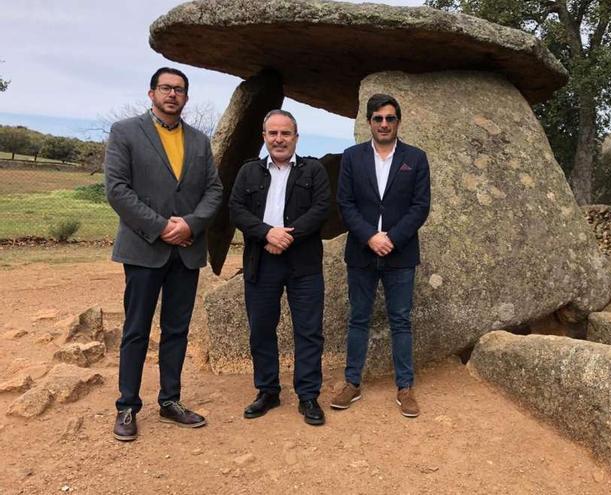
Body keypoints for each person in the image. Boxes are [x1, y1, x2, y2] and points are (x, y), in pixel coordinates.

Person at [105, 67, 222, 441]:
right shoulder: (125, 132)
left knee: (177, 329)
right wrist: (161, 227)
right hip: (144, 249)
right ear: (151, 93)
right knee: (136, 329)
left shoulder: (200, 142)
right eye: (166, 88)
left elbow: (214, 191)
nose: (172, 95)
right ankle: (127, 406)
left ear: (186, 97)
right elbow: (118, 190)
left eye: (179, 90)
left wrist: (189, 225)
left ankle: (170, 401)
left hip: (186, 251)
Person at [331, 94, 431, 418]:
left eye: (389, 118)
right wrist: (370, 237)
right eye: (378, 118)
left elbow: (420, 206)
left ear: (398, 121)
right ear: (369, 122)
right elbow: (344, 204)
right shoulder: (352, 157)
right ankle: (352, 383)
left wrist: (392, 238)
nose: (384, 124)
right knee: (358, 318)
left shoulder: (415, 158)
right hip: (362, 252)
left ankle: (405, 387)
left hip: (400, 254)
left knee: (400, 320)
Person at [229, 109, 330, 426]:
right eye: (273, 133)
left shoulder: (313, 170)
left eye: (285, 133)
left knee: (309, 331)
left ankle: (308, 395)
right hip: (262, 261)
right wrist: (266, 233)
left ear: (296, 137)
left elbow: (321, 209)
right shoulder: (249, 172)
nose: (279, 139)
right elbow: (236, 209)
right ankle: (267, 391)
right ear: (264, 137)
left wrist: (287, 236)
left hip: (304, 263)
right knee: (261, 329)